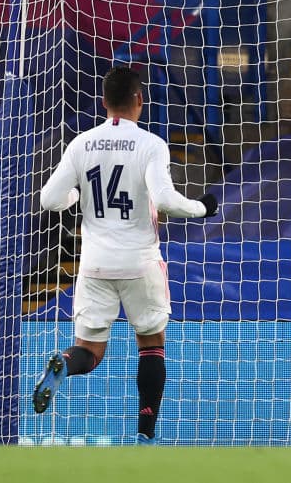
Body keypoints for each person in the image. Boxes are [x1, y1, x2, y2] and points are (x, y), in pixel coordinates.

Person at [33, 65, 218, 444]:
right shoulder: (151, 144)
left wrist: (75, 197)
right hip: (139, 262)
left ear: (103, 102)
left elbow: (48, 199)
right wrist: (204, 207)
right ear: (139, 100)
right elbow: (166, 201)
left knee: (90, 351)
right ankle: (145, 434)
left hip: (94, 265)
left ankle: (62, 364)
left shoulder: (81, 143)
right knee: (151, 344)